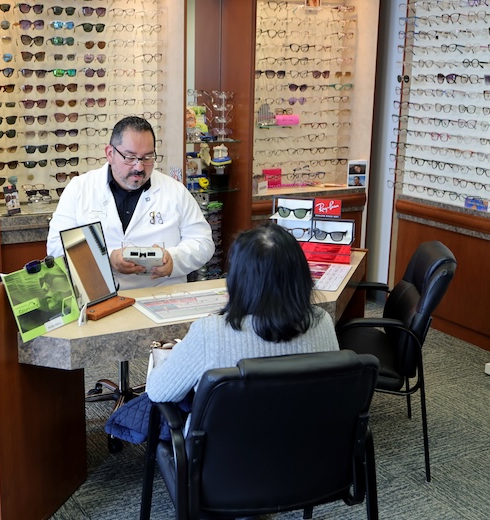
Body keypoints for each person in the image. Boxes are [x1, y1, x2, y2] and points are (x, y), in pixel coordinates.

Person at [146, 222, 339, 404]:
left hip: (226, 439)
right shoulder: (322, 322)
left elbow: (158, 392)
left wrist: (171, 355)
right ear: (301, 276)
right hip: (311, 435)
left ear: (238, 279)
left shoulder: (210, 333)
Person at [46, 116, 215, 290]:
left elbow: (203, 243)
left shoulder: (175, 191)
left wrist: (174, 259)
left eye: (147, 157)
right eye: (130, 157)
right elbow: (56, 248)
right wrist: (108, 259)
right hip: (99, 297)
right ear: (110, 154)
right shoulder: (80, 189)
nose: (139, 167)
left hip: (162, 295)